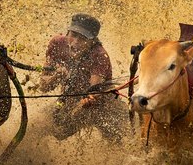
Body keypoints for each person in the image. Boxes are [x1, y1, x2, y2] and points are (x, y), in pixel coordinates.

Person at [40, 13, 128, 142]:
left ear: (92, 41)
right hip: (70, 100)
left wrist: (88, 98)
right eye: (73, 35)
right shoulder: (56, 43)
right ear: (67, 33)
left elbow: (94, 90)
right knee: (39, 127)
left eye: (82, 38)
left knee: (122, 140)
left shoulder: (99, 55)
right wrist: (56, 76)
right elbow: (43, 86)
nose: (75, 42)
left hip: (104, 105)